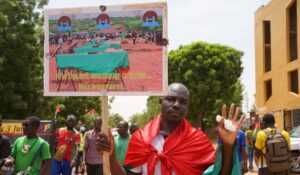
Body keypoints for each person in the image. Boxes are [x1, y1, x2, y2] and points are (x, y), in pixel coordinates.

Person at [96, 83, 245, 175]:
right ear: (160, 101)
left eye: (183, 102)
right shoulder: (141, 138)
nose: (176, 104)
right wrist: (111, 156)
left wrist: (228, 145)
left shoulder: (197, 140)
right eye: (171, 99)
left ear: (188, 107)